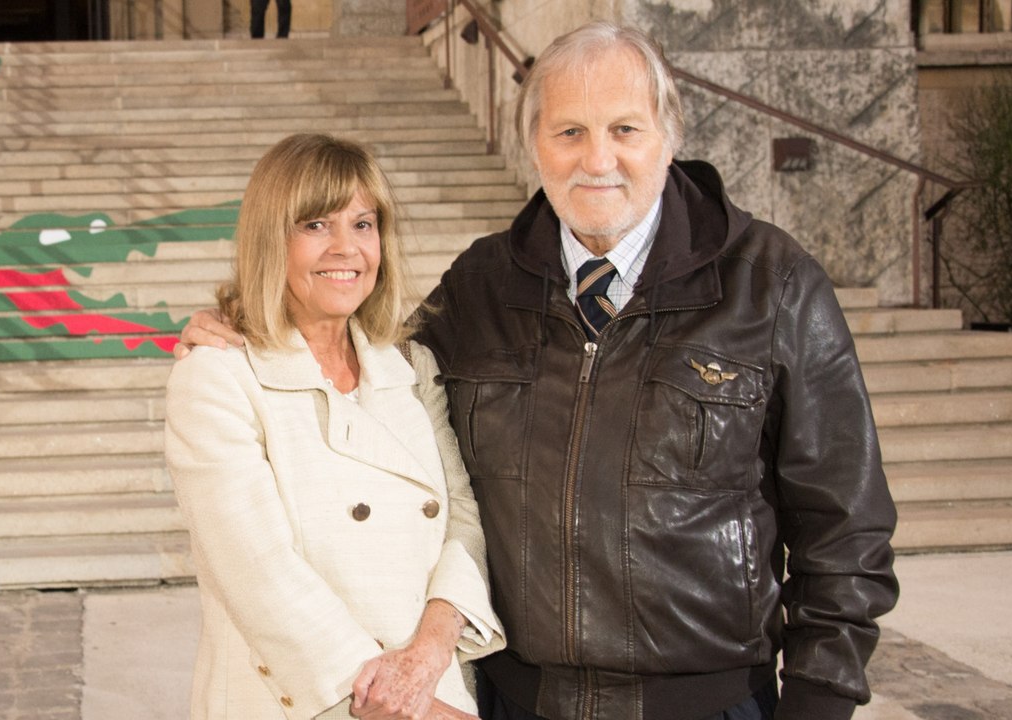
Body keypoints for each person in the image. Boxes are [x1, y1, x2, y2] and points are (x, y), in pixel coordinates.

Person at [177, 22, 899, 720]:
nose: (597, 160)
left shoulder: (771, 285)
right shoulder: (484, 285)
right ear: (533, 145)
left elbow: (846, 525)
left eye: (624, 129)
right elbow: (365, 359)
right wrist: (243, 323)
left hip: (704, 704)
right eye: (569, 132)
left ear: (670, 137)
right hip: (518, 702)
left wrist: (820, 700)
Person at [165, 133, 505, 720]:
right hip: (305, 702)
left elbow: (464, 520)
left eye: (363, 224)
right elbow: (260, 578)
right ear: (273, 240)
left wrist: (427, 657)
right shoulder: (218, 379)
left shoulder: (409, 366)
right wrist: (410, 708)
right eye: (316, 225)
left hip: (435, 688)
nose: (346, 248)